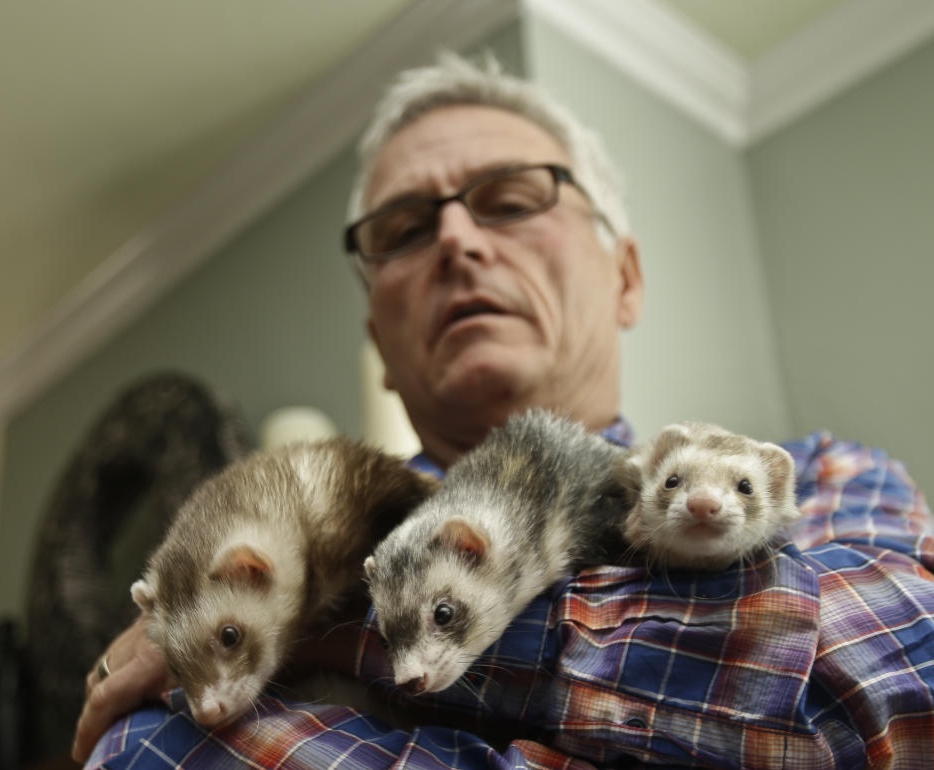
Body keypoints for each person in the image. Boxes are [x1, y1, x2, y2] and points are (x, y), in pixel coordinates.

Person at [72, 52, 934, 768]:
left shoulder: (827, 476)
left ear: (625, 275)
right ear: (376, 328)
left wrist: (344, 641)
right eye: (405, 229)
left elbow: (901, 676)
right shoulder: (270, 570)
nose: (457, 239)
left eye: (513, 199)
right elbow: (148, 751)